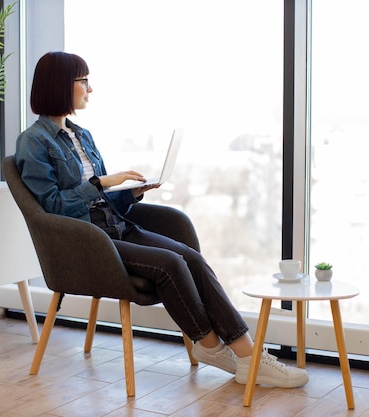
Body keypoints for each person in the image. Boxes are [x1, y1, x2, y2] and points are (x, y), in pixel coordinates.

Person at [15, 51, 309, 388]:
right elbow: (52, 207)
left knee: (191, 257)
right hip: (86, 243)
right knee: (170, 264)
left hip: (115, 226)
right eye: (83, 81)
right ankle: (214, 347)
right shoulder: (32, 142)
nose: (90, 89)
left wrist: (132, 192)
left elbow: (99, 198)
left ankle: (249, 355)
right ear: (60, 86)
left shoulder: (81, 135)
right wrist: (100, 183)